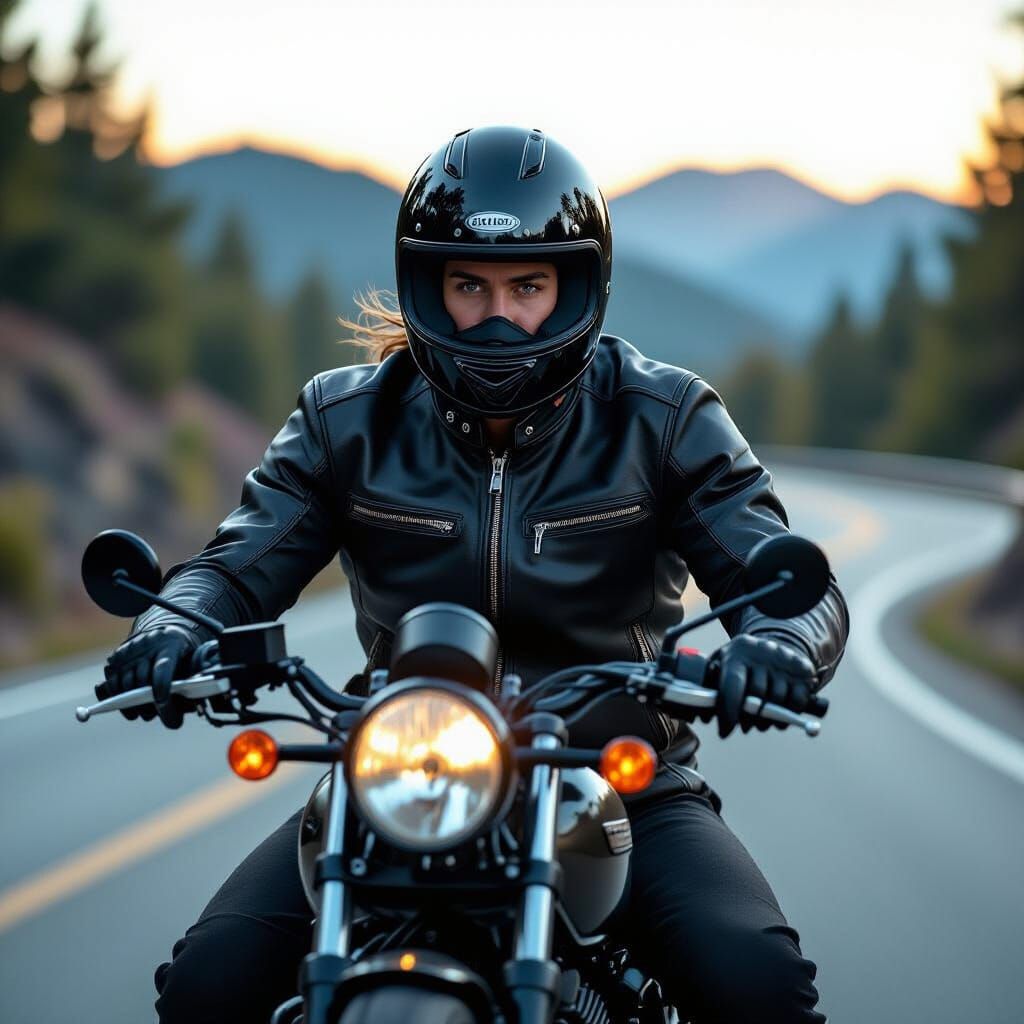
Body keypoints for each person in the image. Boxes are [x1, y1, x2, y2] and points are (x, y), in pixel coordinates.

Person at [97, 125, 849, 1023]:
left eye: (527, 286)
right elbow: (236, 562)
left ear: (576, 288)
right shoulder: (346, 420)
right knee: (205, 988)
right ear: (429, 286)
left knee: (757, 984)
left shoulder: (663, 416)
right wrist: (172, 623)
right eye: (469, 286)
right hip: (404, 773)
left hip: (618, 774)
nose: (497, 316)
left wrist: (778, 646)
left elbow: (794, 585)